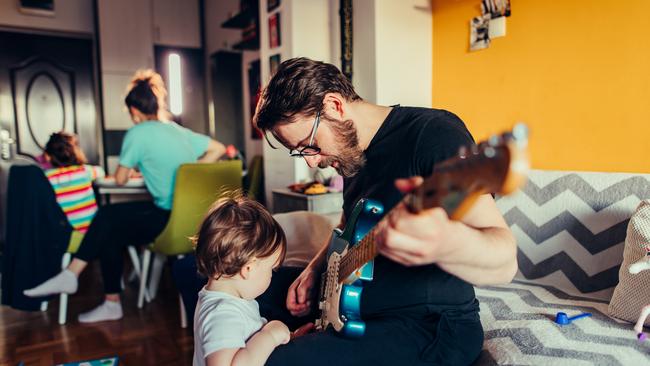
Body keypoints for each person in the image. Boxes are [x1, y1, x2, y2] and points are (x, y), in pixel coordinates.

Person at [253, 57, 518, 365]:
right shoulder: (350, 154)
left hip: (426, 326)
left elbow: (505, 260)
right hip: (349, 301)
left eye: (309, 145)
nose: (311, 162)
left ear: (334, 106)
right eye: (300, 152)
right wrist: (315, 269)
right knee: (239, 287)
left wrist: (448, 242)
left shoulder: (433, 135)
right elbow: (348, 223)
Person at [24, 69, 228, 323]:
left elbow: (120, 178)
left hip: (167, 222)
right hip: (197, 222)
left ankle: (79, 279)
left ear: (133, 111)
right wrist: (191, 174)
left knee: (107, 217)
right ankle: (95, 293)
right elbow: (218, 149)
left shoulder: (137, 133)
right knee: (111, 227)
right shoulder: (177, 130)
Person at [192, 195, 311, 366]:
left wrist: (289, 339)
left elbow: (249, 346)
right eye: (271, 269)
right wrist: (270, 335)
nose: (272, 275)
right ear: (248, 269)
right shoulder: (222, 314)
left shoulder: (230, 300)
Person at [42, 131, 105, 233]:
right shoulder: (85, 171)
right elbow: (101, 172)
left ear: (48, 156)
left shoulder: (47, 178)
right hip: (92, 231)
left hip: (67, 233)